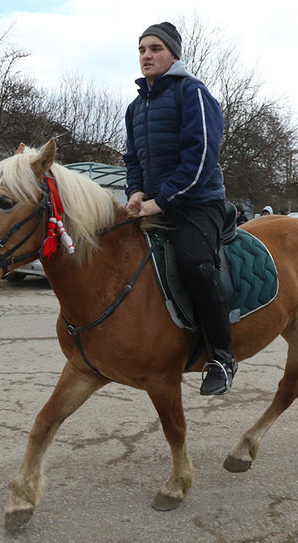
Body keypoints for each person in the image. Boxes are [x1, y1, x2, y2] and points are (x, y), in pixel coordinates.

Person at [123, 22, 236, 396]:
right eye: (141, 50)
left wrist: (163, 200)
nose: (146, 56)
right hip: (154, 204)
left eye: (154, 48)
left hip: (198, 202)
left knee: (194, 263)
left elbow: (201, 156)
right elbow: (133, 158)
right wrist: (136, 191)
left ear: (173, 54)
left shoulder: (194, 93)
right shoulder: (136, 107)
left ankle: (221, 356)